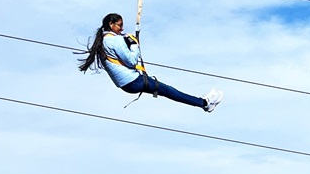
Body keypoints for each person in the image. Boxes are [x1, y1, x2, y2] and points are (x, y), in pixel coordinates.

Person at [78, 13, 223, 112]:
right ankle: (205, 103)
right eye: (120, 25)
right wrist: (134, 44)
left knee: (168, 91)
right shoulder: (113, 40)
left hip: (126, 83)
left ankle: (203, 102)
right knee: (169, 91)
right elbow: (131, 61)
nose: (122, 29)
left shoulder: (102, 41)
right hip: (133, 81)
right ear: (111, 25)